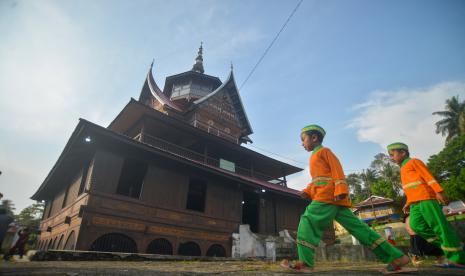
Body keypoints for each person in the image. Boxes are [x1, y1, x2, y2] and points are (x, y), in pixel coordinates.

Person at [281, 125, 412, 274]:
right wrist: (307, 191)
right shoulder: (315, 156)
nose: (302, 143)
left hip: (327, 197)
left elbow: (337, 170)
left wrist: (341, 189)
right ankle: (396, 258)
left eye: (303, 139)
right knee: (360, 229)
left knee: (308, 221)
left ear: (314, 138)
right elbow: (318, 179)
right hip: (334, 199)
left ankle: (305, 263)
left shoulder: (324, 151)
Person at [387, 142, 465, 268]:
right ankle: (454, 246)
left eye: (392, 154)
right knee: (416, 226)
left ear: (403, 152)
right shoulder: (402, 168)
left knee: (439, 227)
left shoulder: (414, 162)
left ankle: (458, 259)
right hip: (415, 203)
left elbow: (428, 177)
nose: (391, 157)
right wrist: (408, 202)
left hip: (426, 199)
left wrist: (439, 191)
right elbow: (410, 188)